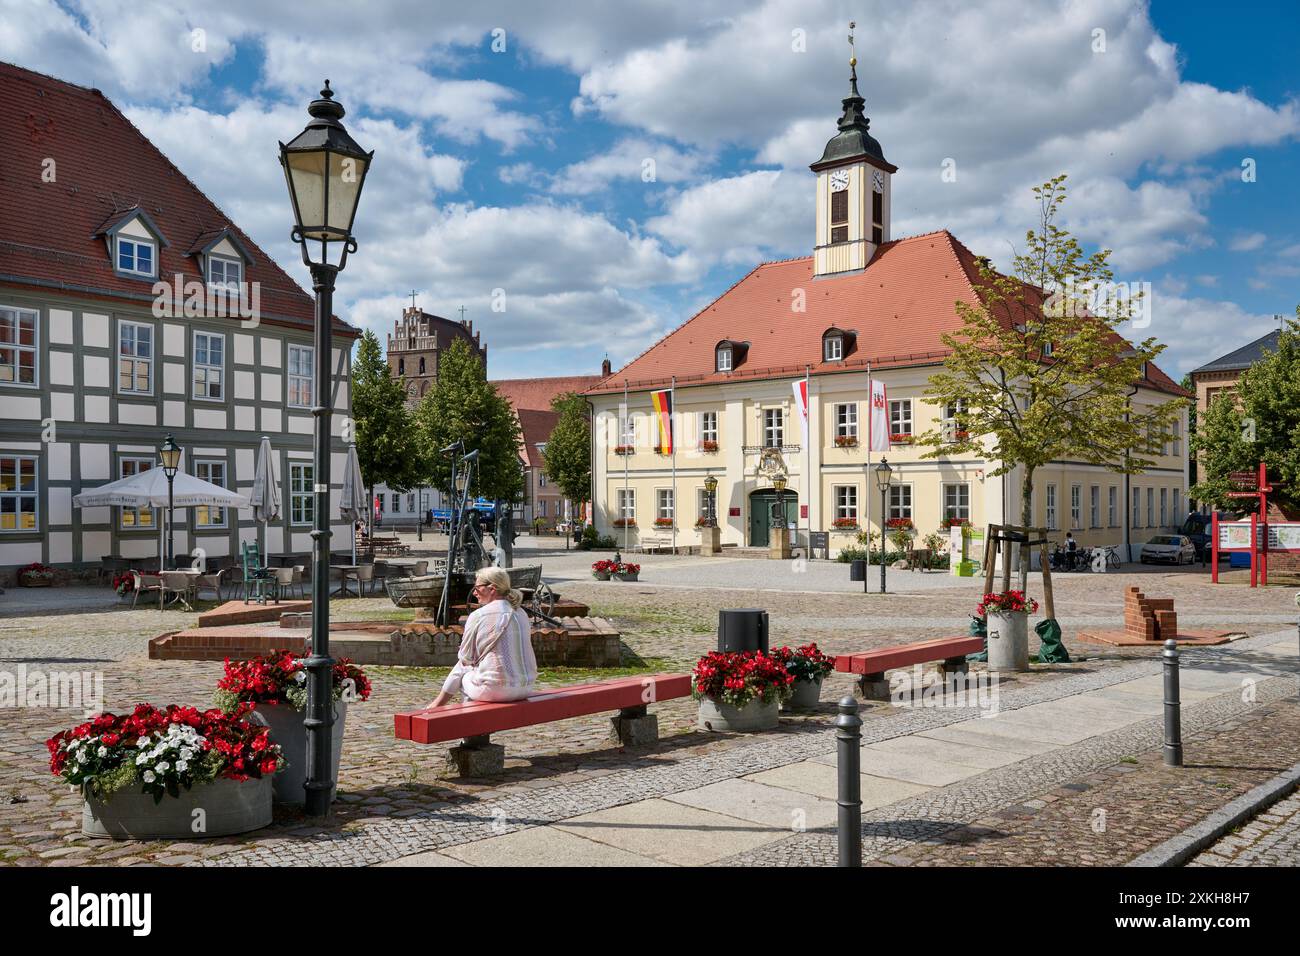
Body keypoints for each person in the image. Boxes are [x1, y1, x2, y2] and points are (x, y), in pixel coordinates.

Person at [425, 567, 537, 707]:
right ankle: (439, 706)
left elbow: (465, 657)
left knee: (463, 670)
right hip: (525, 687)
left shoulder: (479, 615)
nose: (475, 592)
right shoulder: (520, 613)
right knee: (468, 669)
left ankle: (447, 711)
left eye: (477, 587)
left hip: (495, 690)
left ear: (492, 589)